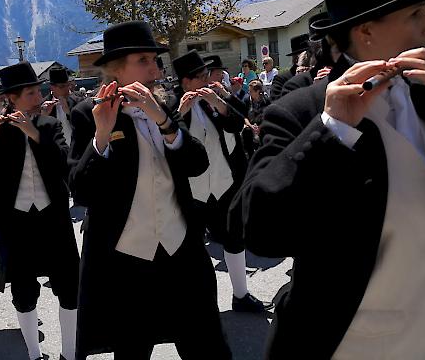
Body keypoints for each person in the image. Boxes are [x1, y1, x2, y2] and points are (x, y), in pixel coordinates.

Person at [234, 0, 425, 359]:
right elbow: (260, 227)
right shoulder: (300, 111)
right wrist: (331, 131)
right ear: (366, 31)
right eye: (416, 14)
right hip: (347, 344)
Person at [69, 21, 232, 359]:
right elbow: (82, 191)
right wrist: (101, 135)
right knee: (131, 348)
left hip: (180, 250)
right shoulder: (89, 113)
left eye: (155, 60)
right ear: (116, 69)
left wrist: (166, 122)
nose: (155, 68)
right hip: (126, 259)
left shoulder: (165, 104)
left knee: (205, 345)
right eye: (143, 59)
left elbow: (197, 164)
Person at [0, 62, 80, 360]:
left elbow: (66, 165)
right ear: (11, 98)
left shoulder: (49, 125)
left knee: (70, 289)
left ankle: (69, 353)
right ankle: (33, 353)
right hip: (15, 224)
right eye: (30, 93)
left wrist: (34, 134)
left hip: (54, 220)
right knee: (24, 292)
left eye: (38, 91)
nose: (38, 97)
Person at [172, 50, 266, 312]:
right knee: (193, 249)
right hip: (194, 190)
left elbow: (238, 123)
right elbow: (170, 140)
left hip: (225, 182)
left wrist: (220, 101)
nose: (207, 80)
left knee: (234, 238)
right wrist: (181, 112)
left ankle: (241, 295)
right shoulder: (171, 105)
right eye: (201, 76)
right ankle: (200, 306)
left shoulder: (214, 99)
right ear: (186, 82)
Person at [40, 66, 81, 146]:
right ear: (52, 87)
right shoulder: (43, 105)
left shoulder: (78, 102)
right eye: (62, 86)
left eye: (68, 85)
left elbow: (83, 126)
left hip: (76, 150)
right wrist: (44, 116)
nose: (67, 89)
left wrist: (69, 113)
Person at [269, 32, 310, 101]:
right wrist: (299, 80)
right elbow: (276, 103)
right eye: (308, 54)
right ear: (297, 58)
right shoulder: (281, 79)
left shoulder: (316, 73)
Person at [241, 80, 271, 158]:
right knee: (246, 131)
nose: (249, 92)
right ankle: (250, 155)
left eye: (251, 91)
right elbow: (244, 116)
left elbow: (268, 116)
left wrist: (260, 127)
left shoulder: (266, 100)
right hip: (250, 125)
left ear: (257, 91)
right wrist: (250, 126)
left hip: (262, 125)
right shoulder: (246, 99)